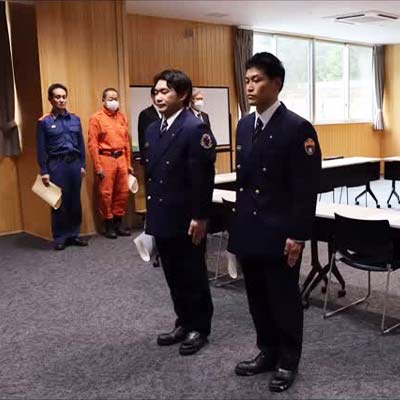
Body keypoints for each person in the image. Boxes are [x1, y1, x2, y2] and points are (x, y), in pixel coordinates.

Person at [228, 52, 321, 392]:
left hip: (281, 232)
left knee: (283, 299)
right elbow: (244, 182)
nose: (249, 87)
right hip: (250, 228)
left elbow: (305, 189)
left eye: (257, 80)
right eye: (247, 80)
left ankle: (287, 360)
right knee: (257, 298)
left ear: (276, 84)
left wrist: (298, 235)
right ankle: (266, 351)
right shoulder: (244, 125)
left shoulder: (297, 128)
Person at [142, 69, 216, 355]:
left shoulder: (194, 128)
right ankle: (183, 321)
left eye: (165, 91)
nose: (158, 97)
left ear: (183, 95)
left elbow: (202, 178)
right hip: (163, 214)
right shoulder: (153, 128)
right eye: (156, 92)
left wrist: (200, 216)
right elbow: (153, 176)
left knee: (192, 273)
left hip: (187, 217)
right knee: (172, 273)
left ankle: (199, 327)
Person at [37, 83, 88, 251]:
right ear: (50, 99)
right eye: (57, 97)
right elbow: (41, 148)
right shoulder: (44, 122)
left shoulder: (75, 119)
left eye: (64, 97)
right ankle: (60, 237)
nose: (61, 100)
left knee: (75, 201)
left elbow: (81, 144)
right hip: (56, 165)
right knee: (58, 202)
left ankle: (74, 234)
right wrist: (44, 171)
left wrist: (82, 165)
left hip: (74, 164)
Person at [88, 88, 133, 239]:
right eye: (110, 99)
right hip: (105, 158)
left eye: (116, 99)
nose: (114, 102)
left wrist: (128, 164)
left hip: (121, 158)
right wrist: (98, 166)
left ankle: (118, 223)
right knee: (105, 193)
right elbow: (93, 144)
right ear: (103, 100)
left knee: (123, 192)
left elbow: (126, 143)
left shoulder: (122, 117)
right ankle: (108, 224)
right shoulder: (96, 118)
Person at [138, 86, 161, 158]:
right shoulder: (145, 114)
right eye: (157, 94)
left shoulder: (169, 112)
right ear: (152, 96)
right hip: (152, 155)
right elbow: (143, 139)